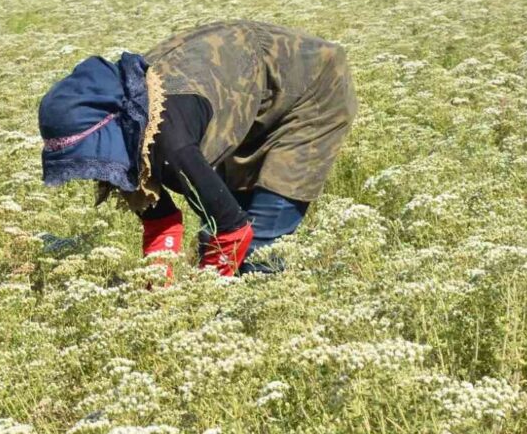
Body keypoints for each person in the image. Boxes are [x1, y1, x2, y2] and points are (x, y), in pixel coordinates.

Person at [38, 20, 357, 277]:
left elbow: (233, 232)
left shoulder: (170, 142)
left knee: (259, 249)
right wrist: (153, 296)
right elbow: (161, 223)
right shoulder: (129, 123)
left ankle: (249, 338)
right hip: (246, 93)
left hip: (307, 90)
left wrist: (198, 304)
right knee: (215, 231)